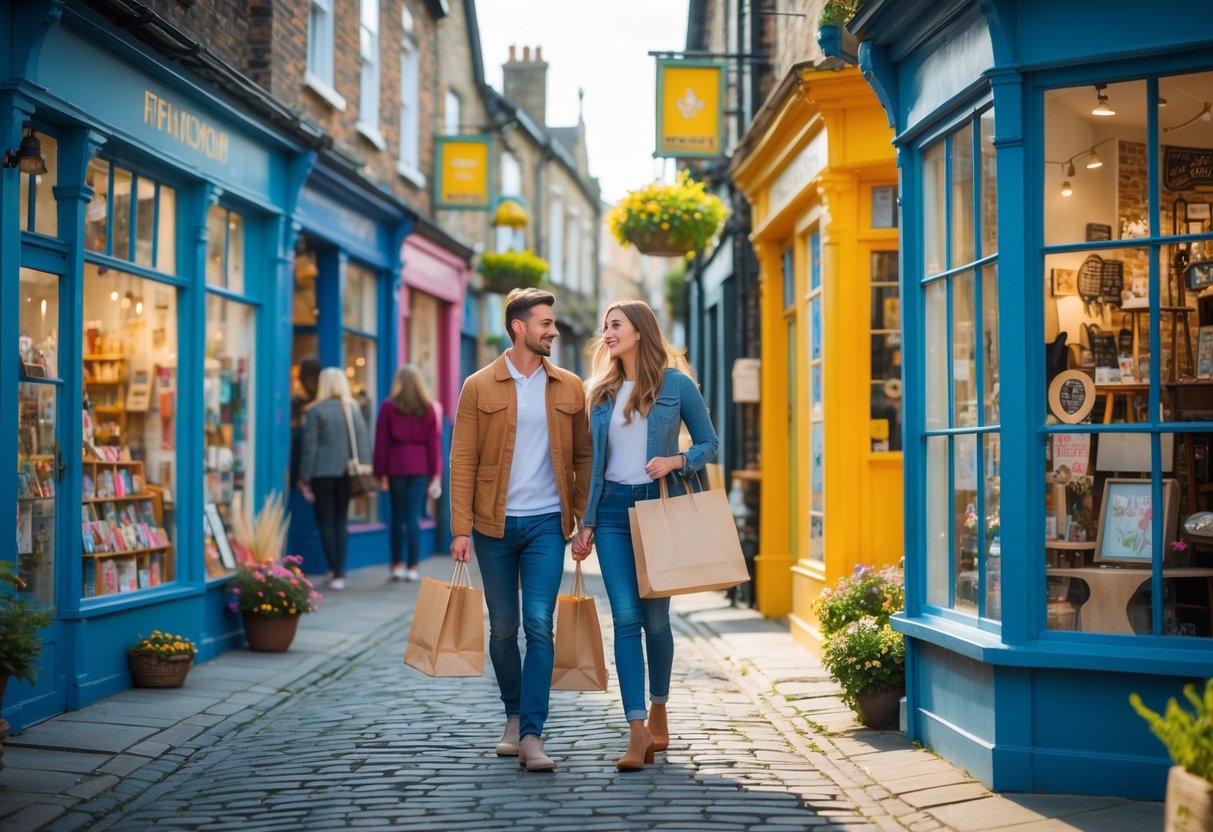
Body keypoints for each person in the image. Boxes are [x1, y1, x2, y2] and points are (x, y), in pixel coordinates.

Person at [448, 287, 592, 773]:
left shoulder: (570, 386)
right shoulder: (478, 385)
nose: (553, 330)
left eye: (552, 323)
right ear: (519, 327)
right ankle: (512, 713)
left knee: (538, 624)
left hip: (547, 526)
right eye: (545, 323)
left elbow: (584, 457)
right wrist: (460, 528)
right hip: (491, 527)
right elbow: (462, 459)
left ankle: (532, 732)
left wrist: (582, 519)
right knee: (504, 628)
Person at [571, 300, 718, 772]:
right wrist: (586, 521)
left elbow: (709, 442)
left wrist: (678, 461)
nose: (607, 333)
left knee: (657, 621)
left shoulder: (675, 384)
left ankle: (659, 708)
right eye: (605, 326)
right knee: (626, 619)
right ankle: (636, 729)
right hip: (612, 512)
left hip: (658, 508)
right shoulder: (602, 391)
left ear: (640, 331)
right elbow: (593, 465)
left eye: (615, 325)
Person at [299, 367, 371, 591]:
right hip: (347, 473)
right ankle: (339, 572)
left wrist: (303, 477)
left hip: (322, 473)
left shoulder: (315, 410)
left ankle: (335, 571)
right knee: (340, 521)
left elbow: (310, 447)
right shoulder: (353, 409)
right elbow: (363, 442)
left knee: (326, 523)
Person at [373, 365, 442, 582]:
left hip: (396, 467)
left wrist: (379, 473)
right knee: (413, 517)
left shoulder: (388, 407)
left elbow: (381, 443)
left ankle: (396, 565)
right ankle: (413, 567)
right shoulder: (428, 408)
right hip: (420, 467)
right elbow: (433, 445)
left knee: (397, 517)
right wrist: (435, 474)